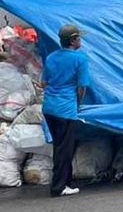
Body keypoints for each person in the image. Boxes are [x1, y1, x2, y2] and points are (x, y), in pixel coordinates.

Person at [42, 25, 92, 197]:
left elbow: (43, 83)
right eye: (79, 38)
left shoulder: (51, 57)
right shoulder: (80, 59)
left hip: (49, 108)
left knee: (60, 146)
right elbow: (81, 87)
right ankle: (59, 187)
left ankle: (66, 182)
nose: (81, 41)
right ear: (73, 40)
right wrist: (78, 104)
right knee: (65, 149)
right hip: (65, 109)